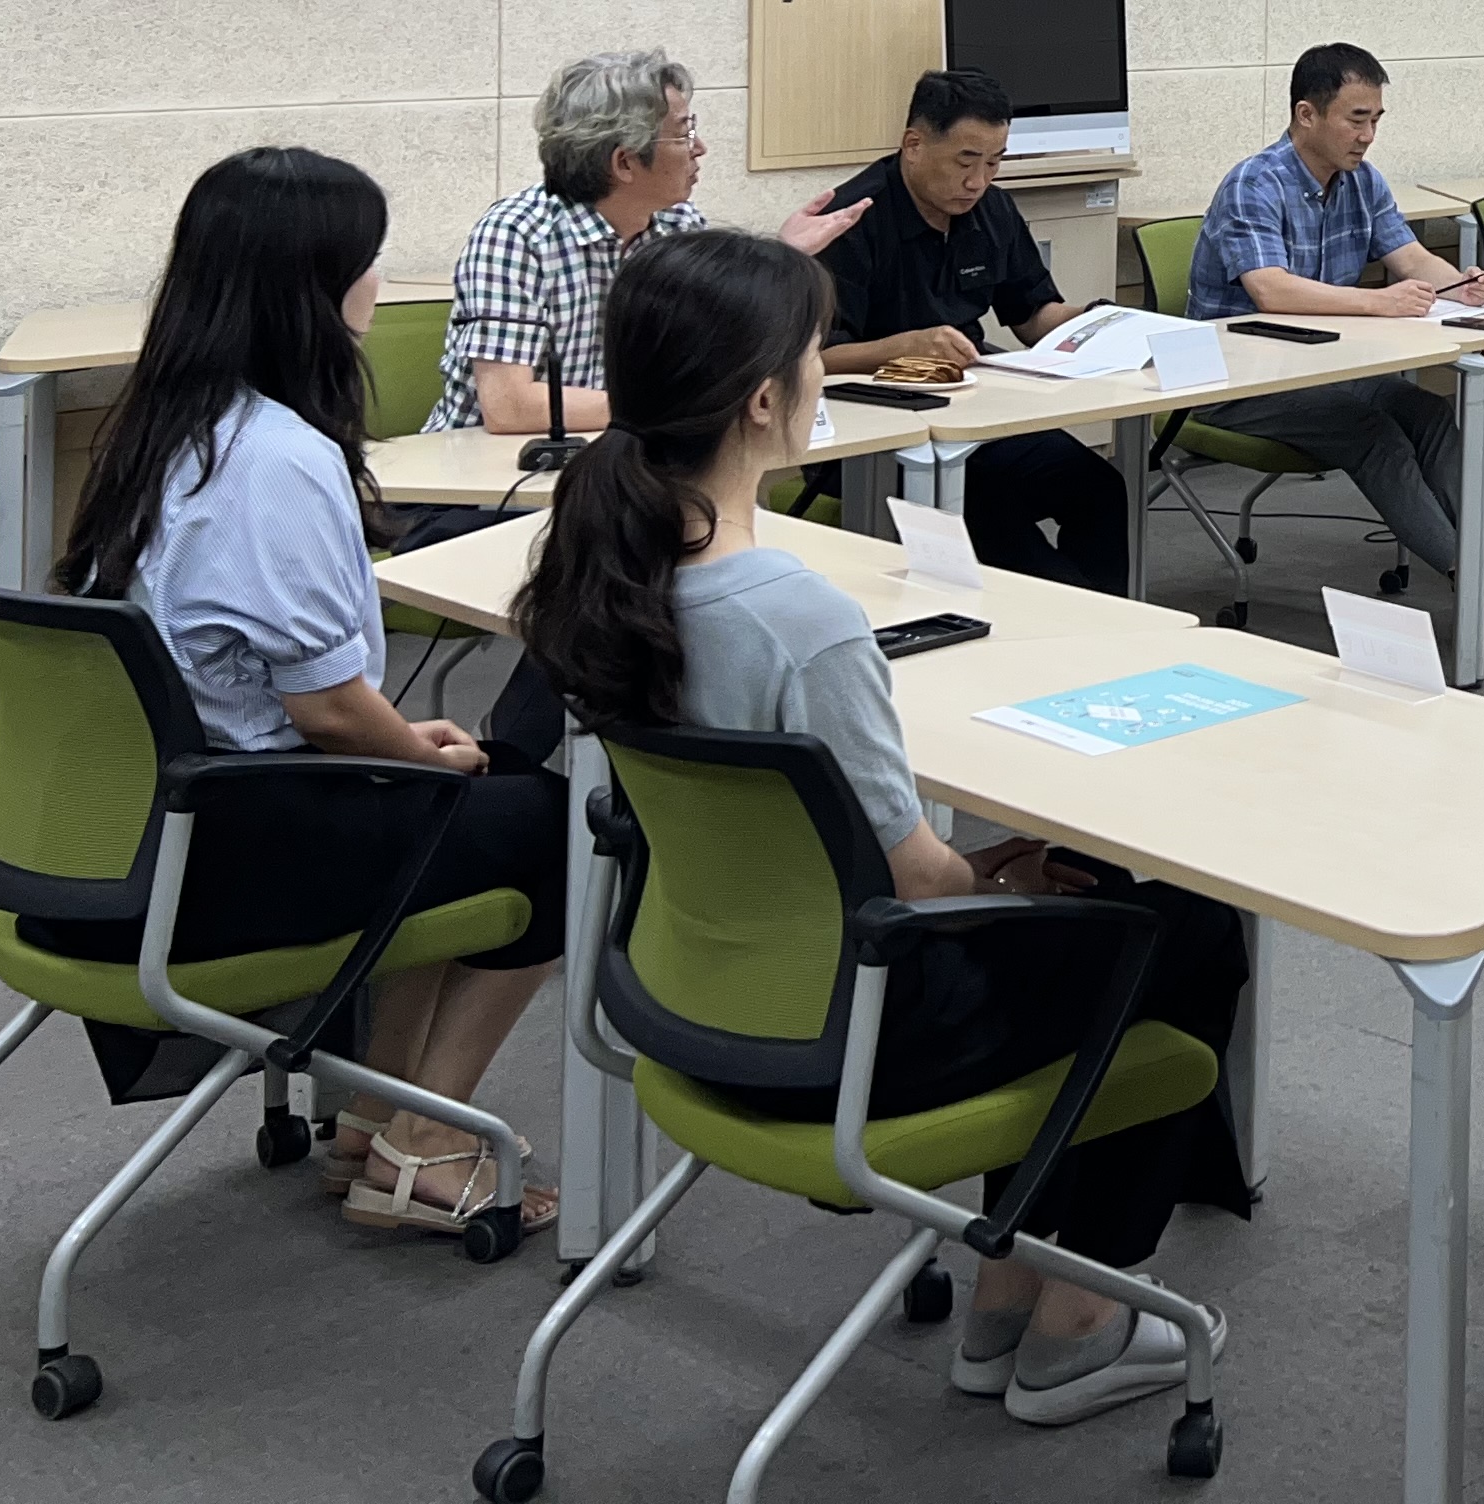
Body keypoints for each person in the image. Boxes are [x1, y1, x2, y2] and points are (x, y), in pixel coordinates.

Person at [512, 231, 1247, 1428]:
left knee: (1071, 918)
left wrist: (989, 876)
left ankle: (1007, 1289)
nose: (823, 371)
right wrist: (996, 884)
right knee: (1181, 930)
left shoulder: (606, 569)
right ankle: (1072, 1321)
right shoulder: (797, 619)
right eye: (813, 353)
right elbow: (925, 885)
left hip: (694, 997)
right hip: (860, 1032)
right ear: (765, 400)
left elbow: (821, 843)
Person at [51, 147, 569, 1242]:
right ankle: (423, 1149)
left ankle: (370, 1125)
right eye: (368, 261)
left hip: (111, 831)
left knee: (465, 802)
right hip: (225, 846)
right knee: (552, 828)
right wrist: (416, 758)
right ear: (316, 288)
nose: (379, 284)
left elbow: (279, 687)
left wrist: (406, 752)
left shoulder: (159, 425)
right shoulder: (279, 459)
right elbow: (328, 711)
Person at [1185, 45, 1484, 633]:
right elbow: (1270, 289)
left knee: (1428, 411)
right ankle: (1472, 575)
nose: (1368, 136)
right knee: (1370, 432)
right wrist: (1379, 301)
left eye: (1375, 120)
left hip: (1323, 367)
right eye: (1356, 119)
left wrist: (1460, 285)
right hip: (1238, 380)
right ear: (1306, 114)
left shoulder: (1362, 181)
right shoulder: (1254, 183)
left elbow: (1410, 257)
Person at [809, 67, 1140, 594]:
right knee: (1007, 536)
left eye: (993, 162)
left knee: (1097, 487)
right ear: (914, 145)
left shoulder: (992, 209)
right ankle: (1069, 622)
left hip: (974, 414)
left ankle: (1110, 623)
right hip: (873, 435)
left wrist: (1100, 321)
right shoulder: (848, 220)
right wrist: (902, 349)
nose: (977, 181)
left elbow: (1034, 315)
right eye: (965, 162)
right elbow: (815, 359)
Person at [431, 48, 867, 434]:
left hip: (620, 452)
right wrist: (674, 410)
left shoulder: (677, 223)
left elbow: (722, 341)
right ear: (624, 163)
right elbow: (509, 407)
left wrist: (780, 256)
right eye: (683, 133)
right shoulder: (516, 235)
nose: (700, 148)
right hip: (485, 475)